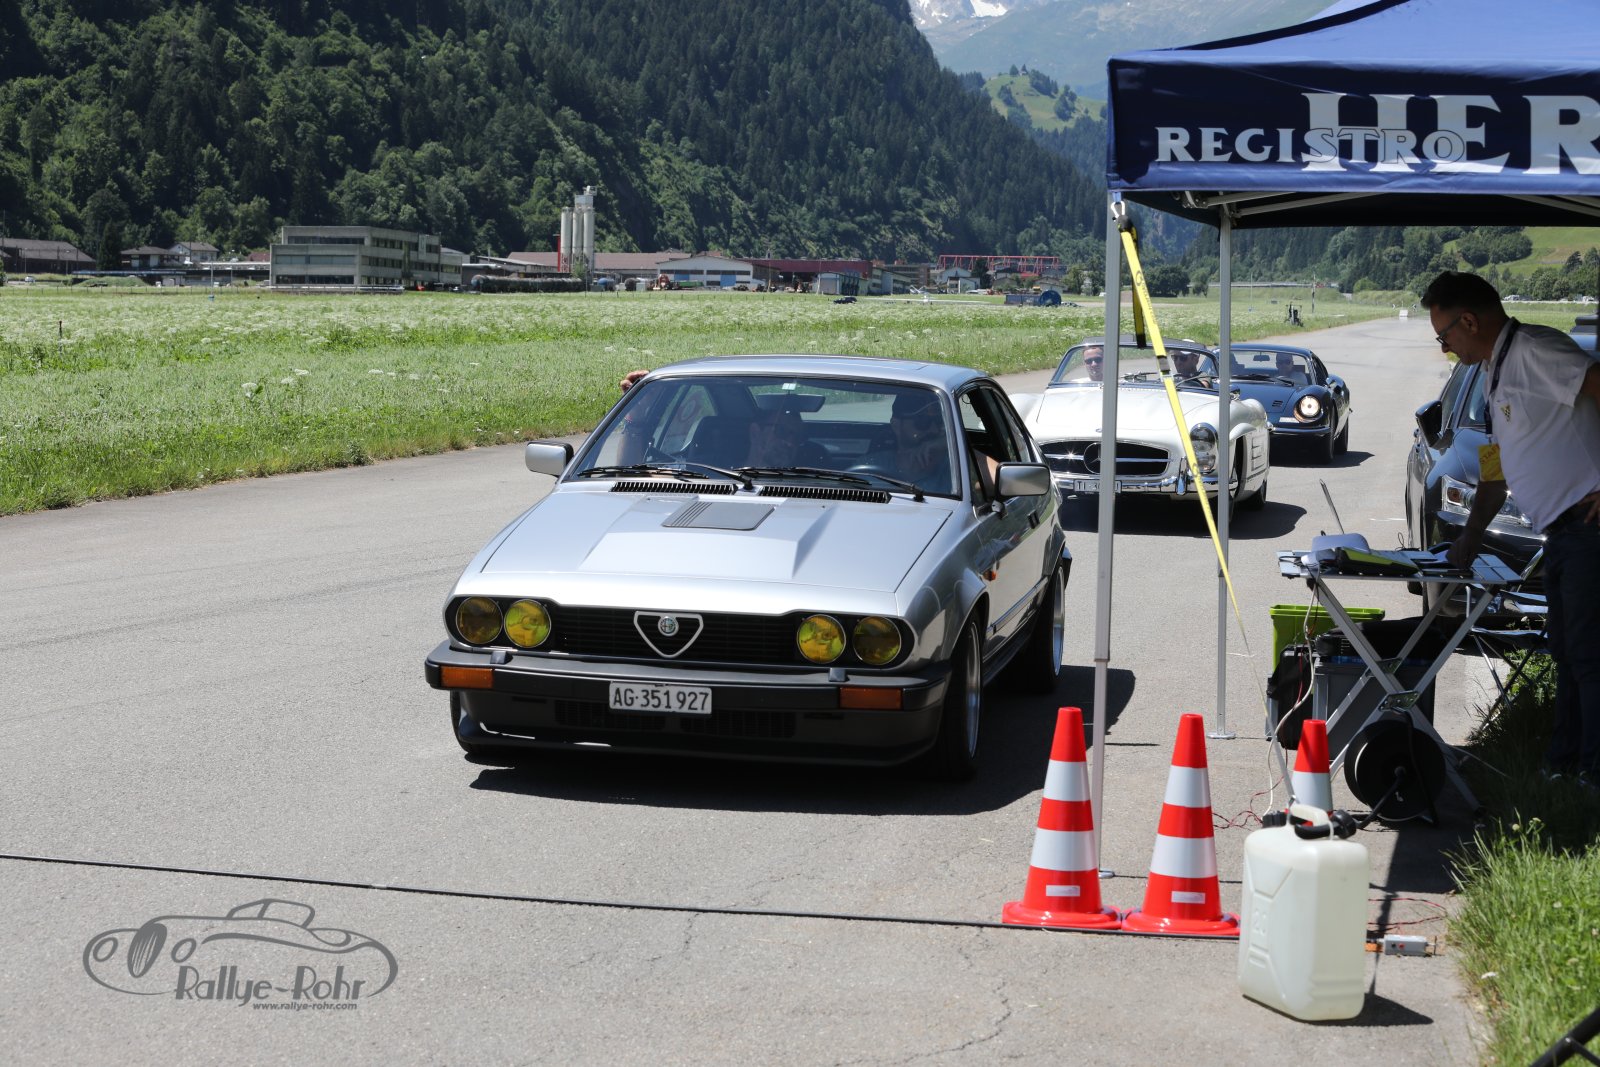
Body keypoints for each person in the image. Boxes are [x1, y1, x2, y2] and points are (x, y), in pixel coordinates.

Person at [1424, 270, 1600, 786]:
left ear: (1469, 321)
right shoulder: (1494, 370)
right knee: (1567, 653)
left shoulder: (1536, 351)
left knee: (1588, 656)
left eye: (1444, 336)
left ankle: (1592, 776)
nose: (1444, 348)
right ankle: (1564, 765)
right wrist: (1470, 537)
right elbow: (1496, 469)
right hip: (1562, 532)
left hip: (1587, 529)